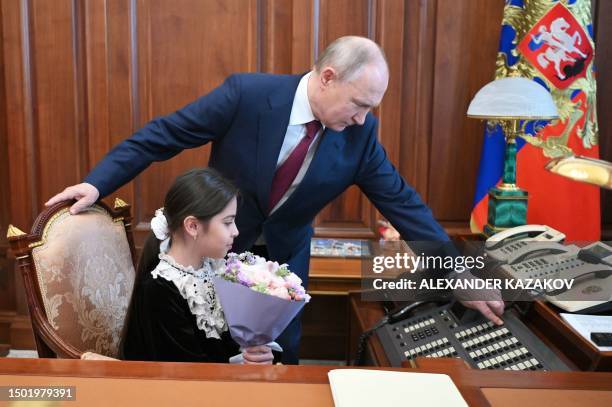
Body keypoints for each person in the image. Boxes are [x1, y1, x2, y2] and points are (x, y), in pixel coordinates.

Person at [47, 36, 504, 364]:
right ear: (327, 78)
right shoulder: (247, 95)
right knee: (203, 362)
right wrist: (98, 184)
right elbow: (164, 135)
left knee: (278, 365)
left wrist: (456, 272)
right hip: (212, 254)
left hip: (283, 267)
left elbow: (404, 205)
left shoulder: (360, 137)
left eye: (372, 108)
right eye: (359, 103)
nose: (364, 118)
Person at [120, 168, 273, 364]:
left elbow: (231, 343)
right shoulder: (160, 288)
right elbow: (186, 370)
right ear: (192, 226)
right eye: (228, 222)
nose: (235, 231)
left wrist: (257, 354)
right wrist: (242, 367)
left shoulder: (214, 268)